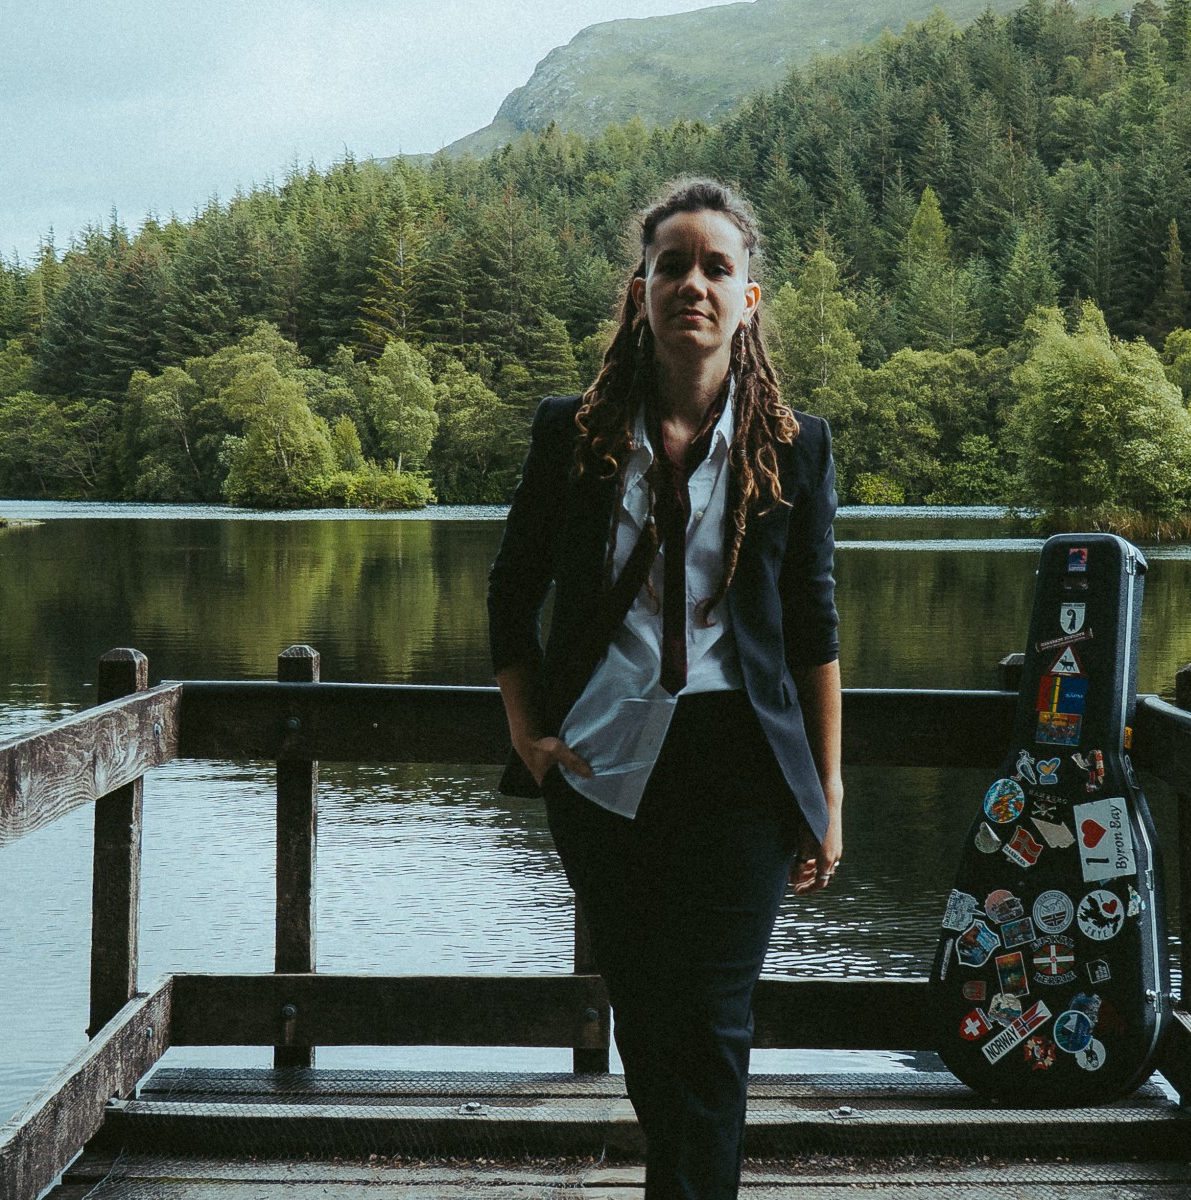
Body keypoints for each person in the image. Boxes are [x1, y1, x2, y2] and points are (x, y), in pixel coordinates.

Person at [487, 177, 843, 1200]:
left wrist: (827, 798)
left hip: (740, 768)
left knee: (714, 1025)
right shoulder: (575, 436)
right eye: (671, 265)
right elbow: (511, 597)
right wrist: (527, 735)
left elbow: (815, 632)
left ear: (749, 298)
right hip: (603, 769)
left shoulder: (793, 447)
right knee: (646, 1023)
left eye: (715, 267)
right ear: (635, 291)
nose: (693, 282)